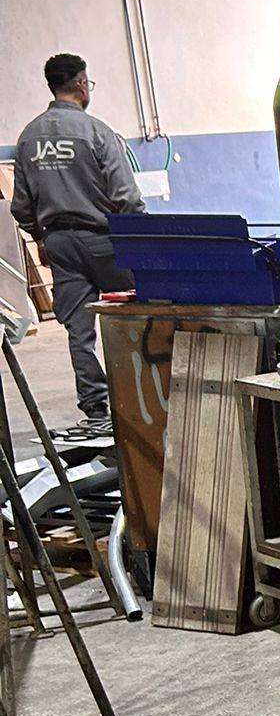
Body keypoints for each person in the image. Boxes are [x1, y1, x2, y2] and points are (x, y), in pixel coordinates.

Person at [12, 54, 143, 434]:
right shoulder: (97, 133)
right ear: (83, 84)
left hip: (60, 244)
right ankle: (143, 396)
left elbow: (22, 204)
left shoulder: (29, 137)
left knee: (78, 331)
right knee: (135, 317)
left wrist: (40, 236)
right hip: (105, 241)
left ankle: (97, 410)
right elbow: (127, 198)